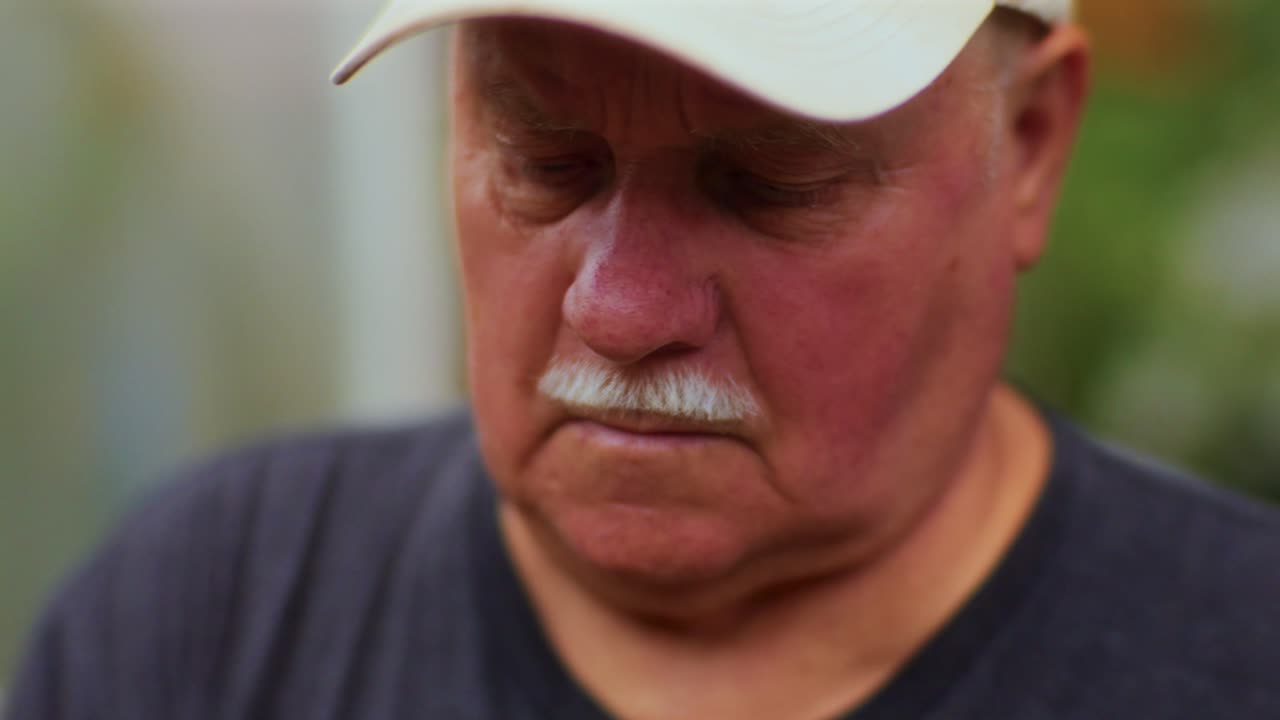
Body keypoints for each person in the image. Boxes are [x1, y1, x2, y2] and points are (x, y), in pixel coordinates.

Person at [8, 1, 1280, 718]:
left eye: (766, 184)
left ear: (1032, 143)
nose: (619, 311)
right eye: (544, 163)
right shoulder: (206, 622)